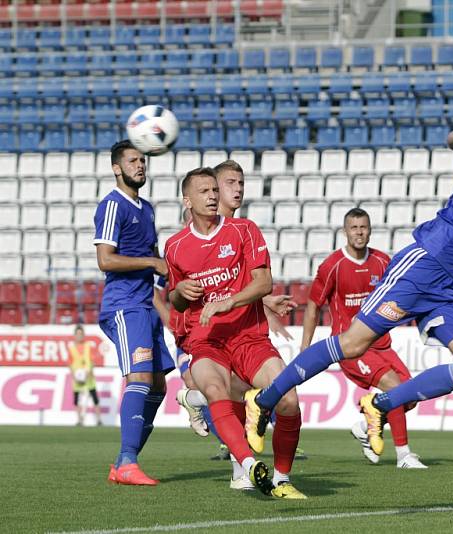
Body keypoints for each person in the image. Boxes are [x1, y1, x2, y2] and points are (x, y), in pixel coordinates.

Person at [246, 119, 453, 457]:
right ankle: (264, 399)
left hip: (451, 289)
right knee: (354, 343)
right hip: (423, 266)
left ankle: (381, 404)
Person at [165, 168, 305, 498]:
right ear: (188, 200)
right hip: (206, 339)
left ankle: (282, 479)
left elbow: (263, 282)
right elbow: (174, 299)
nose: (213, 196)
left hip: (248, 336)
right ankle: (246, 463)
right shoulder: (175, 246)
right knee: (216, 389)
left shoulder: (243, 230)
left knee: (289, 400)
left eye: (216, 189)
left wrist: (228, 303)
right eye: (204, 191)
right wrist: (179, 292)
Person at [303, 207, 426, 469]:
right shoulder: (332, 265)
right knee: (395, 388)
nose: (359, 232)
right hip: (350, 347)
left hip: (381, 344)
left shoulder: (382, 261)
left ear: (370, 230)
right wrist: (305, 347)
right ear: (345, 232)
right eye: (354, 228)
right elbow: (314, 306)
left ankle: (366, 422)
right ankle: (404, 455)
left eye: (363, 227)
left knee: (411, 396)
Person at [94, 140, 173, 485]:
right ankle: (127, 461)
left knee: (158, 386)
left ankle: (122, 463)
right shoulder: (112, 205)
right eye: (132, 161)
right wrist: (152, 263)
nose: (140, 165)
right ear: (116, 167)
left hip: (147, 304)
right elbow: (105, 260)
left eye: (143, 160)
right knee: (138, 379)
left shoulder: (147, 208)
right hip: (124, 305)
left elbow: (157, 262)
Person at [67, 325, 102, 426]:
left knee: (95, 397)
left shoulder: (88, 346)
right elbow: (70, 363)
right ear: (74, 335)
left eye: (81, 334)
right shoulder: (71, 348)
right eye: (77, 334)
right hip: (77, 377)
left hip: (88, 376)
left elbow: (92, 361)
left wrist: (89, 372)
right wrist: (74, 376)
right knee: (77, 398)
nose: (79, 336)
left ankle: (99, 419)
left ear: (83, 335)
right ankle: (79, 420)